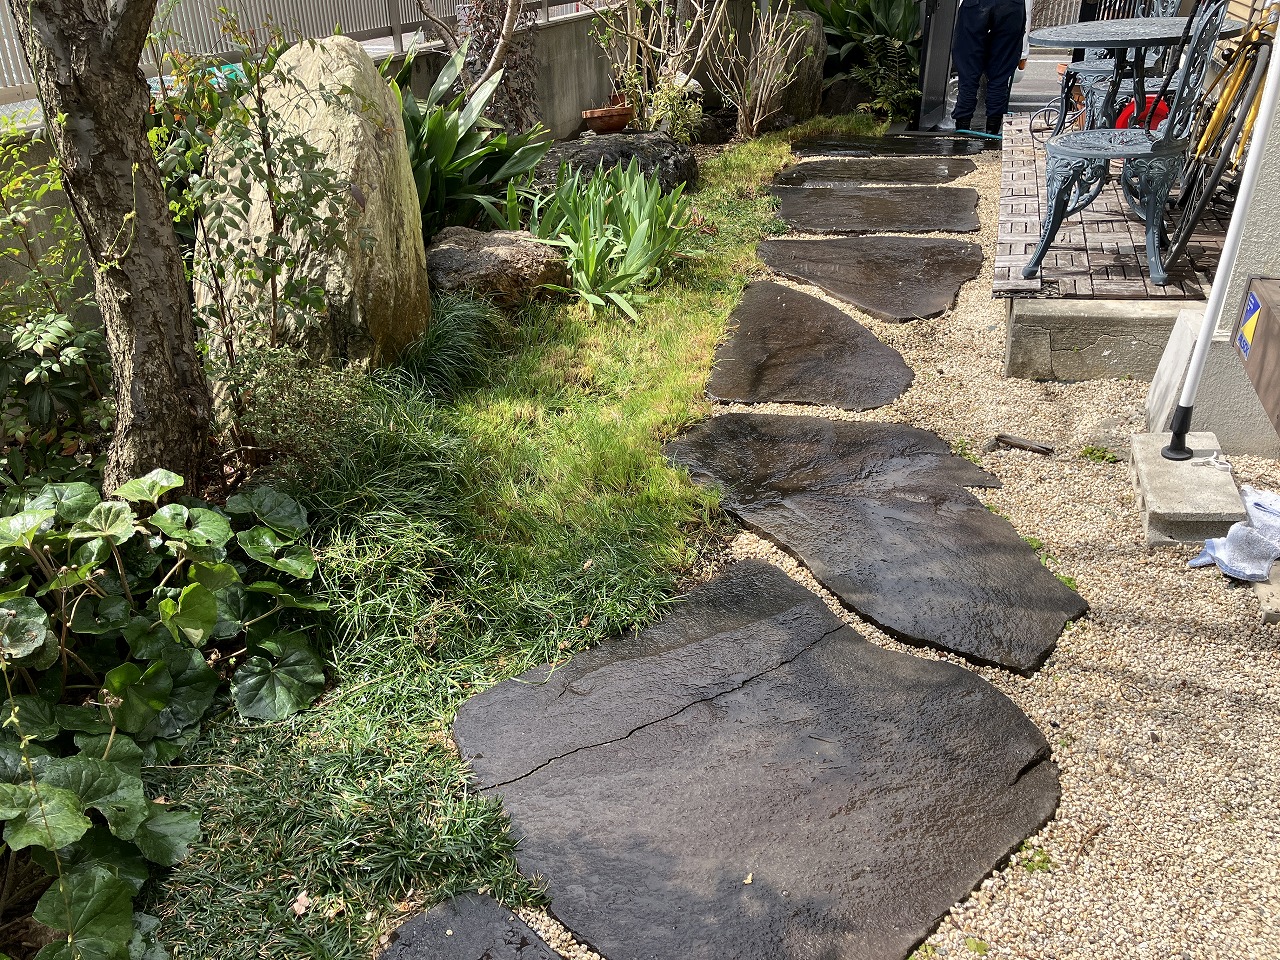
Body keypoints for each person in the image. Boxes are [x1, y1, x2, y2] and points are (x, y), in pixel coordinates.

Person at [951, 0, 1034, 138]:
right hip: (1011, 7)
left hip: (976, 5)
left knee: (968, 69)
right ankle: (992, 130)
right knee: (1000, 74)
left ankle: (962, 127)